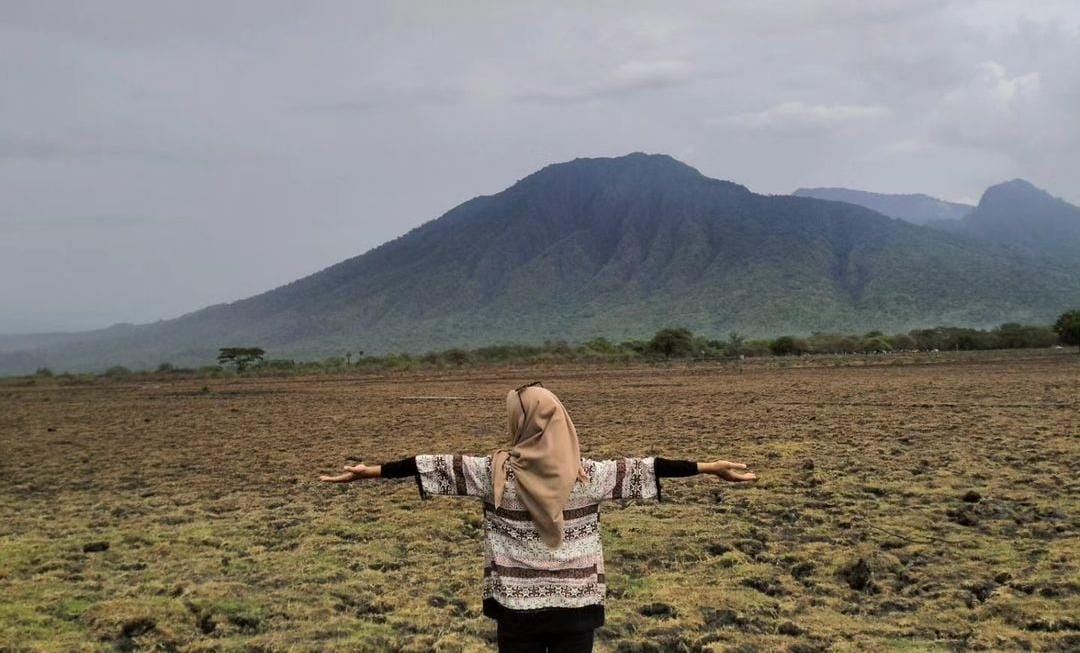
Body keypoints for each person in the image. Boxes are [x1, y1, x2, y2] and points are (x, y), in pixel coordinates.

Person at [319, 382, 758, 652]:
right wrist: (708, 467)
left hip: (516, 610)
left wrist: (368, 472)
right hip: (578, 608)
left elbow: (426, 464)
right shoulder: (589, 477)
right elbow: (648, 466)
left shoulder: (490, 473)